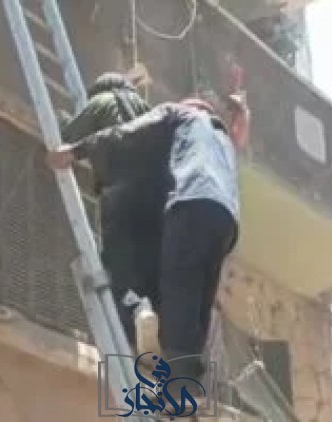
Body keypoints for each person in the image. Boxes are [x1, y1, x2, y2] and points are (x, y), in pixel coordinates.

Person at [47, 97, 247, 386]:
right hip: (226, 220)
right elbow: (239, 136)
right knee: (199, 301)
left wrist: (77, 150)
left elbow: (130, 133)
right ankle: (186, 385)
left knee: (177, 286)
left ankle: (173, 379)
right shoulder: (222, 139)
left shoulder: (179, 114)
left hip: (190, 202)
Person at [59, 72, 160, 350]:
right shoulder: (148, 112)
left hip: (120, 193)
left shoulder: (102, 102)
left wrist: (63, 120)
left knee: (118, 264)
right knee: (143, 263)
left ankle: (127, 331)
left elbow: (68, 138)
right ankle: (146, 312)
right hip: (153, 201)